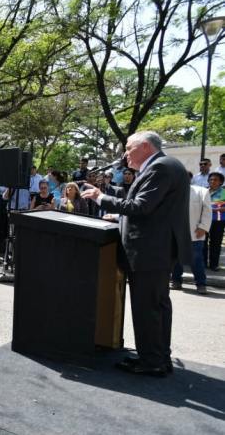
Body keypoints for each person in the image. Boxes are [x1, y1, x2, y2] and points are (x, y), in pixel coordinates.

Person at [82, 131, 190, 377]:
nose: (125, 154)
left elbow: (141, 207)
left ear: (144, 147)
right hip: (157, 250)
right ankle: (157, 356)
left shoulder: (160, 168)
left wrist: (101, 199)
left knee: (148, 308)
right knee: (157, 306)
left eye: (129, 148)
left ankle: (152, 362)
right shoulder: (163, 165)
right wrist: (108, 198)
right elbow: (138, 199)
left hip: (151, 251)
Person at [172, 174, 211, 294]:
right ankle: (176, 281)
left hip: (195, 232)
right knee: (176, 259)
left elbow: (207, 211)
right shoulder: (171, 193)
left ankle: (201, 284)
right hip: (175, 233)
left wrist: (203, 227)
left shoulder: (202, 191)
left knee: (196, 259)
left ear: (190, 179)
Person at [206, 172, 225, 271]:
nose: (212, 181)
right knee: (202, 243)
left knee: (216, 243)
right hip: (204, 220)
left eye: (215, 180)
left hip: (218, 221)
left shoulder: (223, 192)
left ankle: (214, 264)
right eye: (211, 179)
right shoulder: (204, 191)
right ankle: (202, 263)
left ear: (221, 182)